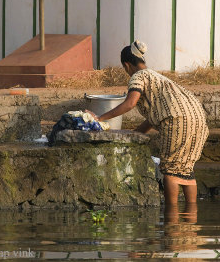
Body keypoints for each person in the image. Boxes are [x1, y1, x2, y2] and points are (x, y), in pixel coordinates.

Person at [86, 40, 209, 204]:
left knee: (170, 171)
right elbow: (154, 117)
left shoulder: (138, 76)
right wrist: (136, 134)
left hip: (178, 121)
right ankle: (190, 220)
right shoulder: (156, 76)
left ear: (127, 65)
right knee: (186, 170)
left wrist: (99, 118)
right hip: (199, 120)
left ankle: (171, 219)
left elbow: (129, 103)